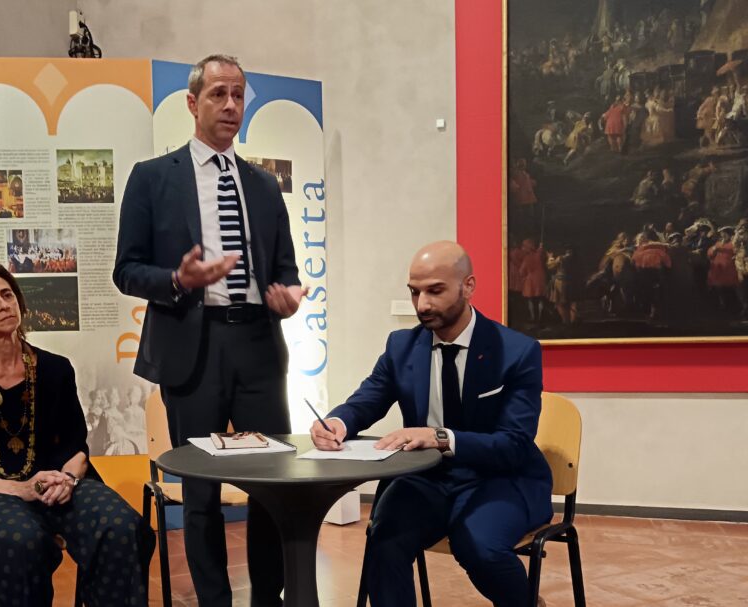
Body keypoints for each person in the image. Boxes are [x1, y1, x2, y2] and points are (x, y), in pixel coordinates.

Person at [113, 54, 303, 607]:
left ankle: (268, 598)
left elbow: (286, 269)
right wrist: (178, 279)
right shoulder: (153, 178)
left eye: (239, 94)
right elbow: (126, 270)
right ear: (192, 103)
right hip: (191, 347)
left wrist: (287, 298)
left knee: (271, 485)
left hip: (258, 345)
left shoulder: (264, 185)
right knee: (201, 492)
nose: (230, 105)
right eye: (219, 94)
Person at [310, 241, 552, 607]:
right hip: (428, 478)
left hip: (500, 477)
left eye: (435, 291)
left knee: (478, 545)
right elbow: (368, 399)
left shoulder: (516, 351)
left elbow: (514, 445)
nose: (422, 304)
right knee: (384, 541)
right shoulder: (402, 347)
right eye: (414, 292)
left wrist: (439, 437)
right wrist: (338, 422)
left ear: (468, 286)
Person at [0, 262, 153, 607]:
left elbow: (76, 447)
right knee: (19, 540)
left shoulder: (55, 369)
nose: (3, 305)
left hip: (55, 485)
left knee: (120, 527)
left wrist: (67, 480)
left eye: (7, 295)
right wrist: (18, 488)